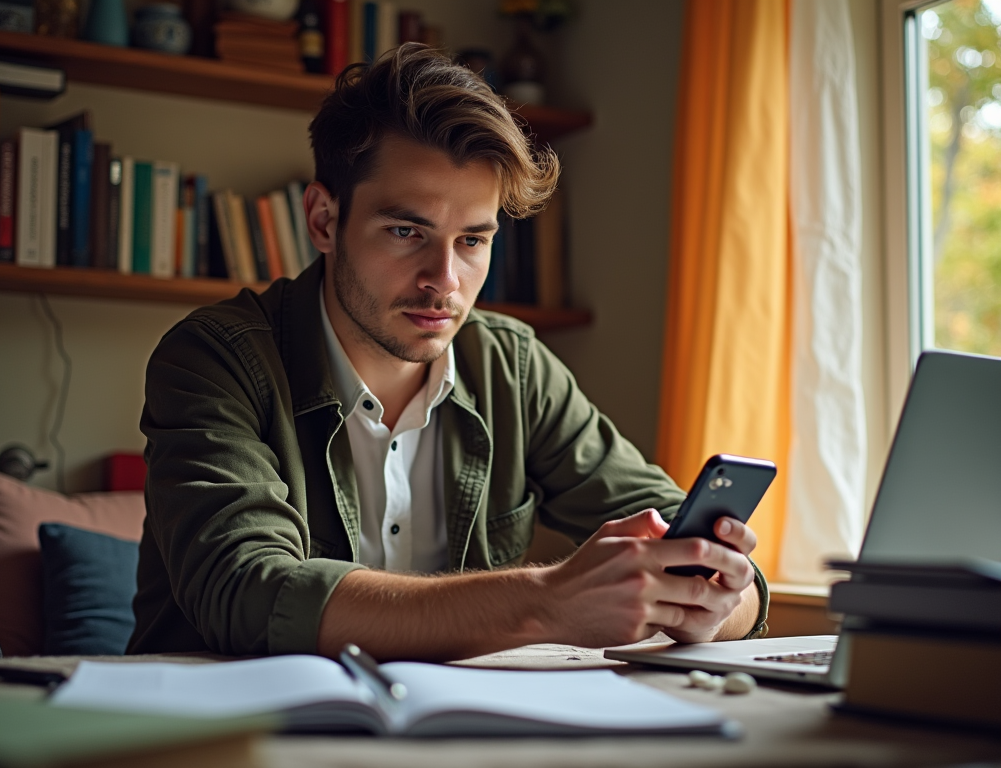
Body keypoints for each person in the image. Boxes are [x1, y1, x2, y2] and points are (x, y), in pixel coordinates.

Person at [128, 44, 768, 660]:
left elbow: (688, 538)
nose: (445, 280)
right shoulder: (212, 359)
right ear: (324, 220)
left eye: (471, 240)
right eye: (407, 231)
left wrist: (716, 601)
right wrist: (544, 601)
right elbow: (246, 590)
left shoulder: (515, 368)